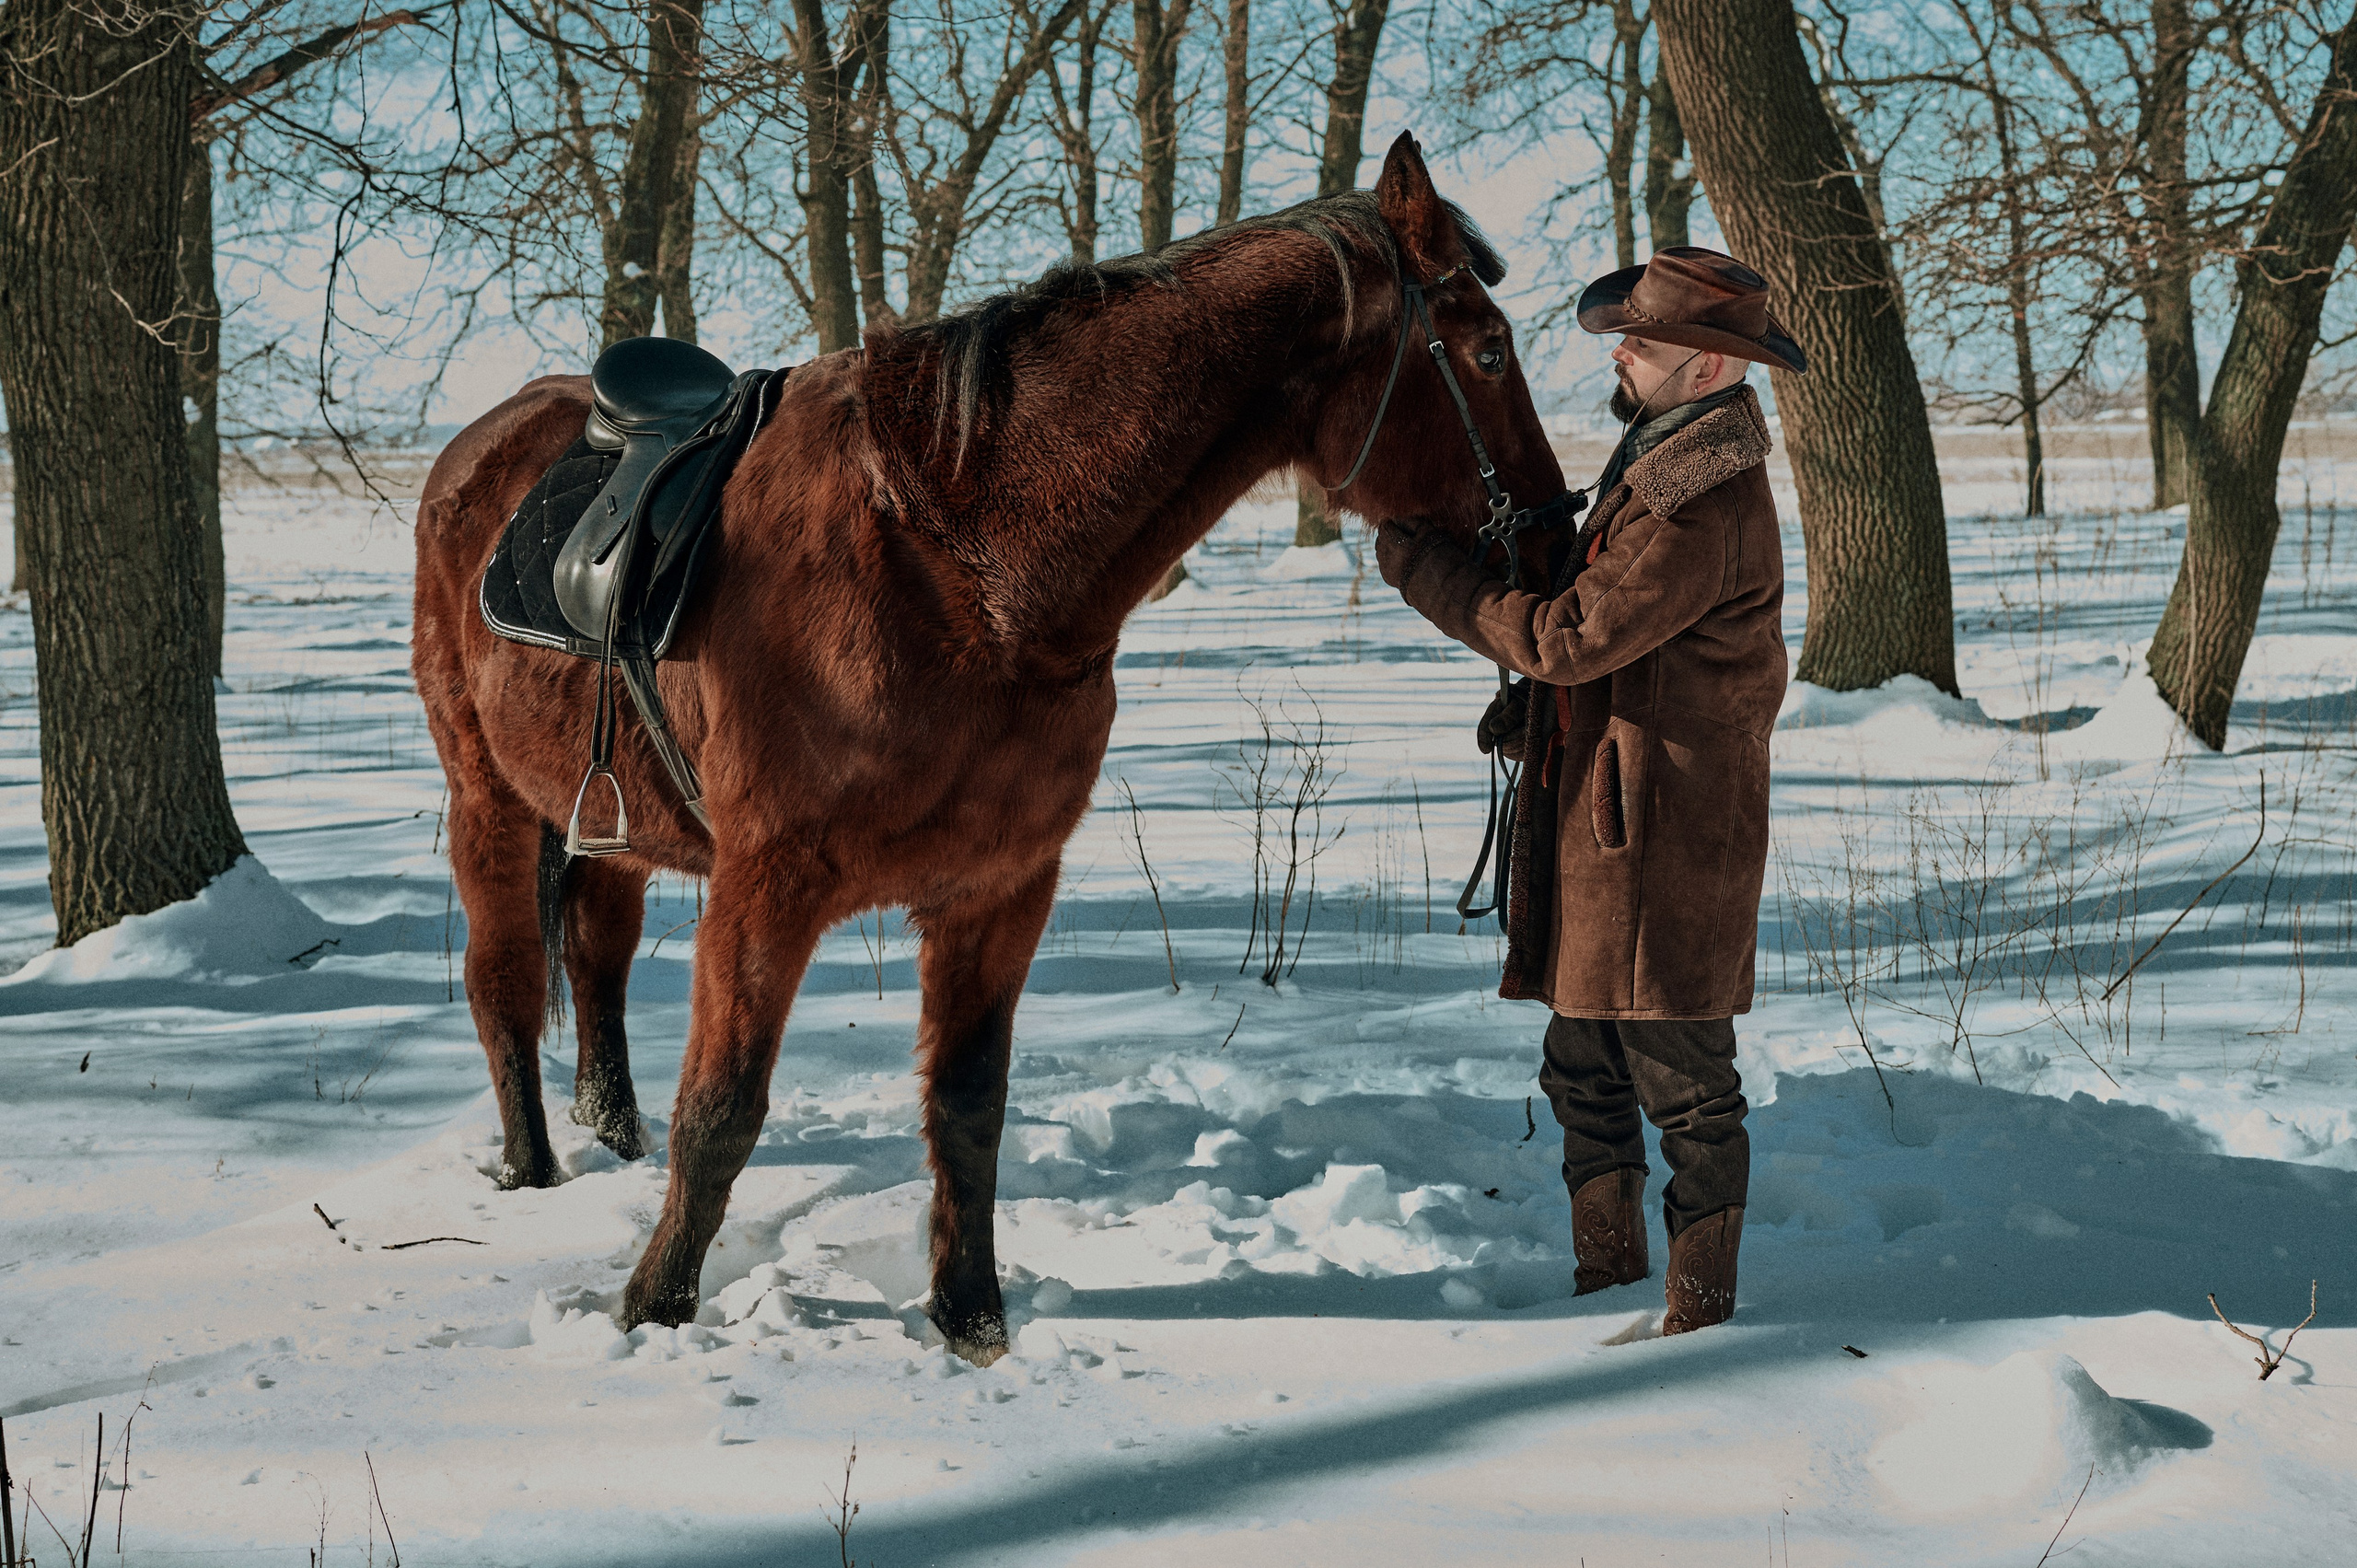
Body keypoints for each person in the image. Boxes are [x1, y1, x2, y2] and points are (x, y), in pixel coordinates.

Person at [1373, 247, 1805, 1334]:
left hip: (1669, 833)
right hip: (1609, 824)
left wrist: (1430, 573)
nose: (1620, 349)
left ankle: (1700, 1316)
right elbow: (1600, 630)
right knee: (1582, 1065)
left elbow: (1572, 637)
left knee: (1685, 1082)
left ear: (1707, 371)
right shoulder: (1659, 455)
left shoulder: (1704, 499)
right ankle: (1603, 1286)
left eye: (1644, 342)